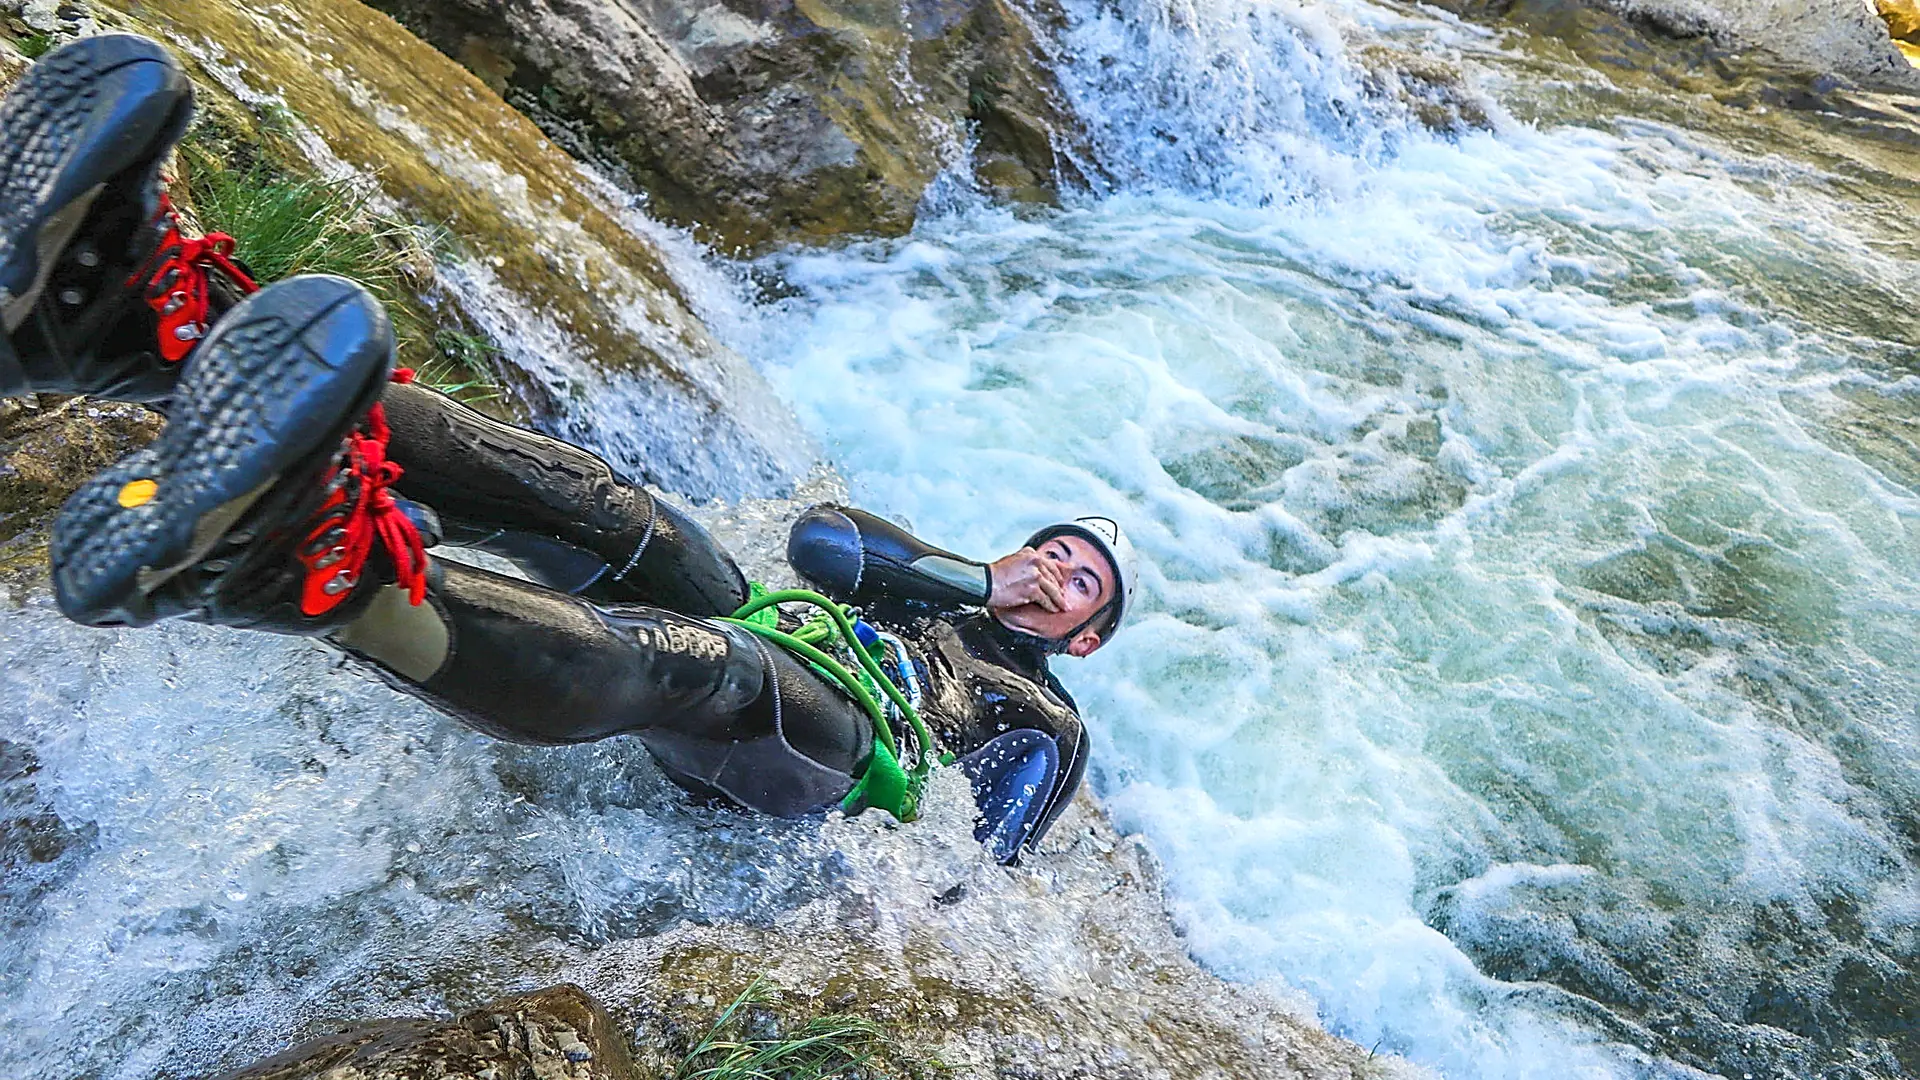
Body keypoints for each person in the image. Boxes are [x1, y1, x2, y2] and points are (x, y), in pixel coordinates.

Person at [0, 34, 1137, 863]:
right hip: (791, 646)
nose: (1057, 572)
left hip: (837, 768)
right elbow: (826, 544)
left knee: (711, 665)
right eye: (1054, 549)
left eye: (1083, 583)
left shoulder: (1049, 718)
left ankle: (303, 564)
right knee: (598, 500)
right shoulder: (946, 584)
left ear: (1086, 641)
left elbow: (986, 870)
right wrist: (982, 577)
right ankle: (131, 328)